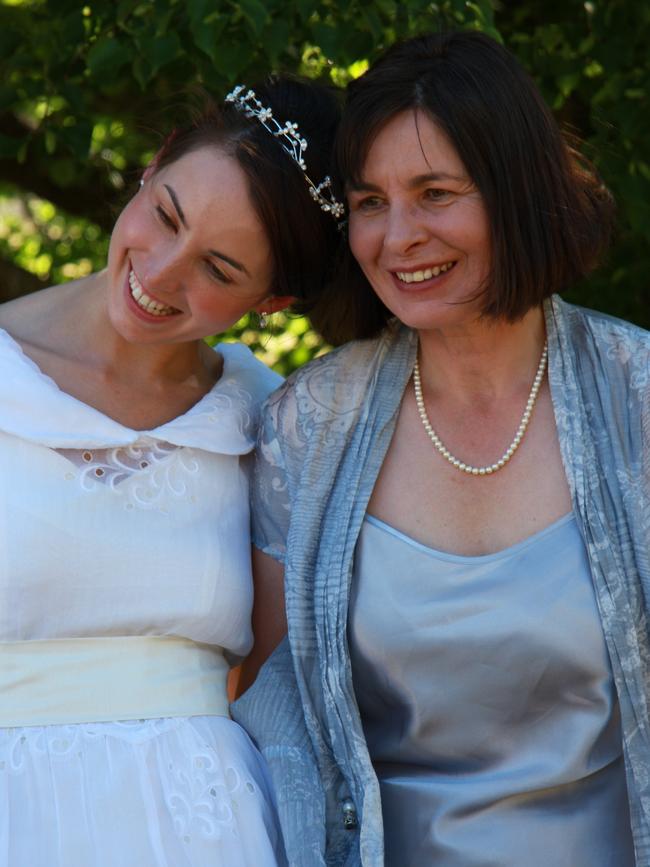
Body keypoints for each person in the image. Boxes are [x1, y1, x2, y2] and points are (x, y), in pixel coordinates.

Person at [232, 31, 650, 867]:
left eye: (434, 193)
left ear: (516, 190)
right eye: (370, 202)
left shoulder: (638, 397)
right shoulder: (308, 427)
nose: (397, 237)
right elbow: (271, 713)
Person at [0, 74, 343, 867]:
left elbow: (278, 674)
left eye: (219, 270)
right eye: (166, 217)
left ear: (273, 302)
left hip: (205, 829)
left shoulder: (272, 422)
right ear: (152, 166)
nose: (158, 275)